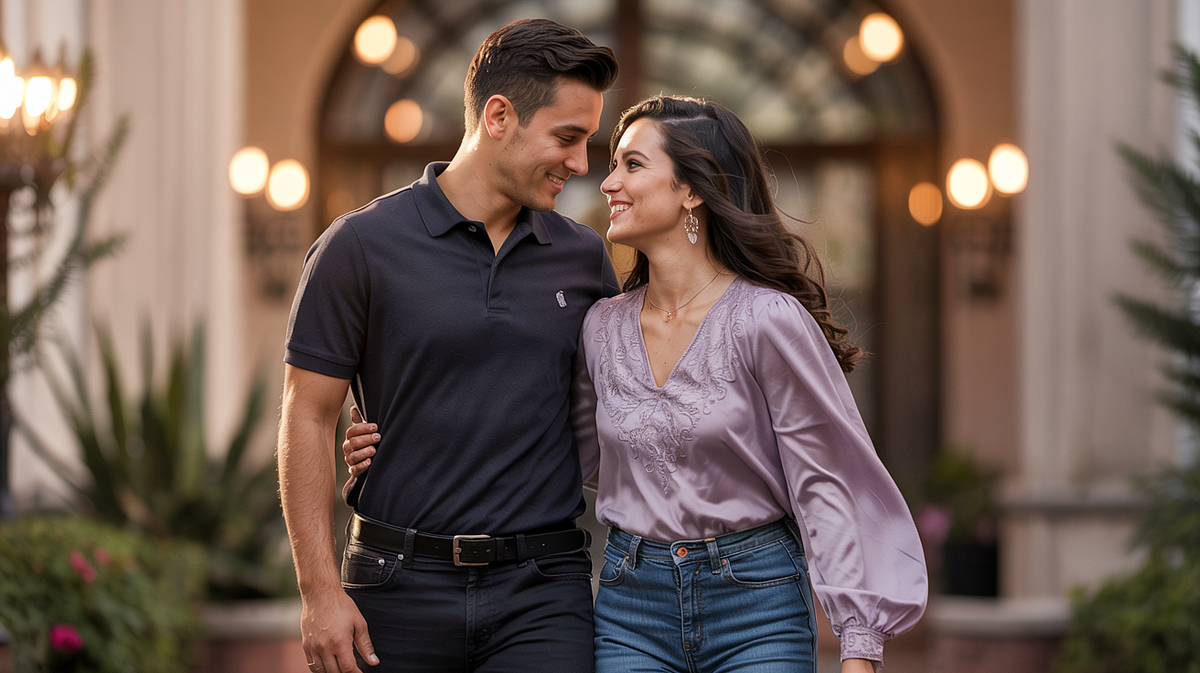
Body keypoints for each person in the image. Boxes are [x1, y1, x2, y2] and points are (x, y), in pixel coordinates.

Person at [345, 95, 927, 672]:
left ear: (692, 190)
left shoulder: (767, 320)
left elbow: (827, 477)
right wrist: (402, 451)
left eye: (633, 164)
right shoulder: (601, 326)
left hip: (758, 602)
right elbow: (553, 449)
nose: (607, 182)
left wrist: (859, 645)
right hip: (632, 605)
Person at [278, 19, 619, 673]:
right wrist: (318, 592)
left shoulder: (583, 257)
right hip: (393, 585)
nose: (581, 164)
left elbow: (622, 404)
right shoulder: (359, 246)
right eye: (567, 137)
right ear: (499, 116)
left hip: (543, 592)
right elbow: (308, 415)